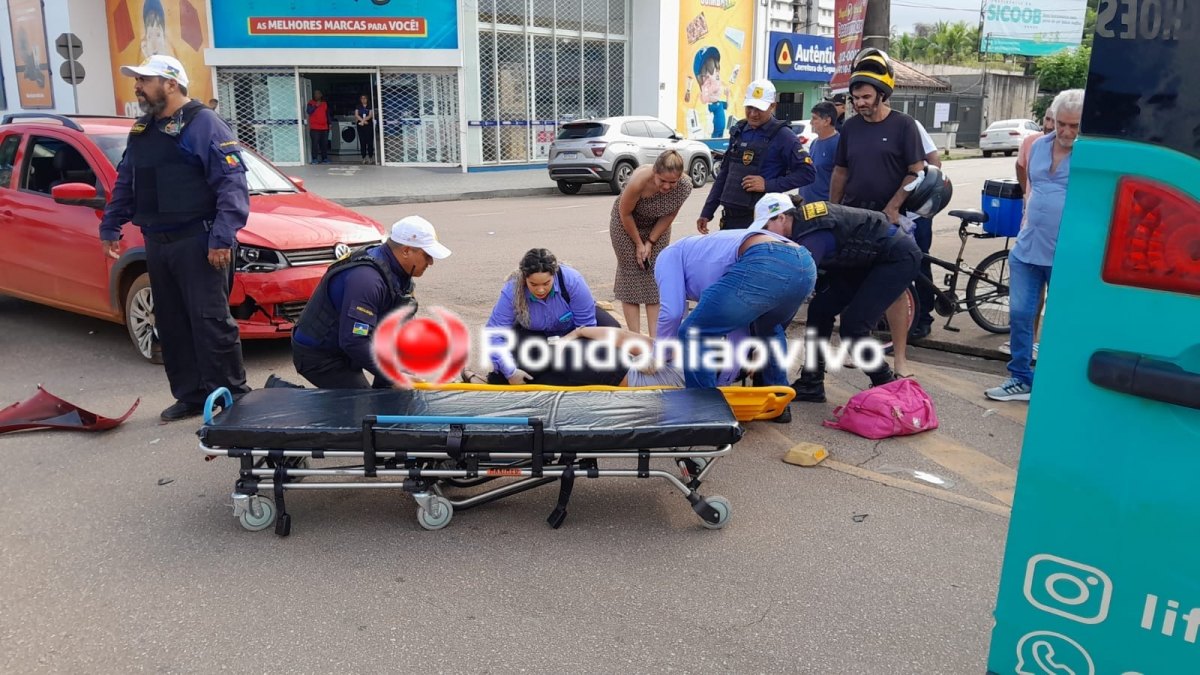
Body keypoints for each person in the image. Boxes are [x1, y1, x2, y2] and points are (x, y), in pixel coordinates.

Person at [98, 55, 252, 422]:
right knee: (170, 323)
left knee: (210, 321)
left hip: (198, 242)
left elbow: (232, 187)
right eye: (137, 80)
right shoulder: (142, 130)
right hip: (157, 241)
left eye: (144, 80)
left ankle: (234, 396)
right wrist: (111, 224)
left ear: (170, 83)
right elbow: (127, 181)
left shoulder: (204, 124)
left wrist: (221, 238)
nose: (137, 86)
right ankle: (191, 395)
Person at [656, 214, 818, 423]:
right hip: (804, 263)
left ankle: (705, 415)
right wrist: (724, 381)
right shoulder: (702, 255)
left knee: (693, 332)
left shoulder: (667, 256)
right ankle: (778, 405)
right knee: (768, 328)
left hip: (766, 259)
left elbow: (672, 313)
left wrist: (660, 357)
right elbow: (738, 333)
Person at [778, 189, 930, 403]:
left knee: (853, 327)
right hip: (864, 259)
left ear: (782, 217)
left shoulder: (812, 238)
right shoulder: (799, 225)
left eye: (767, 227)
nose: (769, 235)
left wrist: (772, 329)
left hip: (896, 258)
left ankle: (887, 386)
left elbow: (795, 290)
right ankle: (811, 383)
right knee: (820, 309)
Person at [986, 89, 1083, 402]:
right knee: (1019, 314)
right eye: (1062, 124)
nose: (1067, 132)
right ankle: (1020, 377)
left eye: (1075, 126)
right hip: (1028, 247)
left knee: (1064, 319)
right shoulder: (1038, 146)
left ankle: (1059, 379)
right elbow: (1030, 184)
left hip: (1067, 252)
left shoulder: (1089, 153)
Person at [291, 216, 451, 389]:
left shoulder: (399, 272)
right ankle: (283, 395)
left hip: (347, 347)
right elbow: (354, 340)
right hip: (321, 357)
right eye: (427, 255)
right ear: (406, 251)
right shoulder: (367, 280)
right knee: (361, 407)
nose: (431, 262)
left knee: (398, 392)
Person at [481, 248, 622, 386]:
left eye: (546, 283)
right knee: (509, 372)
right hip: (535, 334)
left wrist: (570, 346)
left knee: (610, 336)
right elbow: (493, 334)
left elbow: (586, 328)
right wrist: (510, 372)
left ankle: (554, 373)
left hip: (574, 330)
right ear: (524, 279)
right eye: (534, 284)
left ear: (554, 275)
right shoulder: (512, 289)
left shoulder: (573, 281)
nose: (540, 290)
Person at [697, 79, 815, 232]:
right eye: (749, 107)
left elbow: (808, 173)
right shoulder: (739, 130)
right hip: (730, 220)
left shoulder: (784, 136)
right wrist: (707, 211)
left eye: (758, 109)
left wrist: (768, 184)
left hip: (762, 221)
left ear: (773, 106)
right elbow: (725, 174)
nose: (753, 114)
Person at [609, 150, 692, 336]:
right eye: (662, 180)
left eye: (673, 182)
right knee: (631, 274)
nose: (667, 187)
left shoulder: (685, 186)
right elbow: (625, 213)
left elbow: (670, 214)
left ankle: (655, 338)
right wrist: (639, 243)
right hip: (627, 224)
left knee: (655, 274)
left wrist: (651, 242)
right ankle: (635, 338)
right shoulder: (639, 181)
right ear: (655, 171)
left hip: (657, 225)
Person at [1000, 109, 1056, 358]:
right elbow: (1020, 166)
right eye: (1049, 119)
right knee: (1027, 298)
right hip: (1031, 228)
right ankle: (1028, 343)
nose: (1052, 125)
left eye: (1059, 120)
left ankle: (1048, 344)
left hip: (1058, 238)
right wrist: (1027, 194)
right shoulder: (1033, 143)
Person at [799, 101, 840, 203]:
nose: (811, 122)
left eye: (814, 118)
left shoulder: (838, 144)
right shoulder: (814, 142)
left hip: (824, 208)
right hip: (806, 205)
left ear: (827, 121)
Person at [306, 90, 331, 164]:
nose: (316, 95)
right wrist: (316, 106)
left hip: (324, 127)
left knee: (324, 144)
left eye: (318, 94)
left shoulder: (324, 103)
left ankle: (325, 158)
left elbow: (327, 114)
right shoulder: (310, 103)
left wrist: (329, 123)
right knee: (315, 144)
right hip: (315, 128)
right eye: (315, 94)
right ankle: (314, 159)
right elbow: (309, 111)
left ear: (321, 95)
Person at [354, 94, 376, 165]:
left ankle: (370, 157)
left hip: (368, 125)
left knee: (369, 141)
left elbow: (370, 115)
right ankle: (363, 158)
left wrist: (364, 121)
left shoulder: (370, 106)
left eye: (365, 98)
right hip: (360, 125)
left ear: (367, 99)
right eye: (362, 98)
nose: (363, 100)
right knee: (362, 141)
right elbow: (356, 115)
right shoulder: (358, 106)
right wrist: (362, 121)